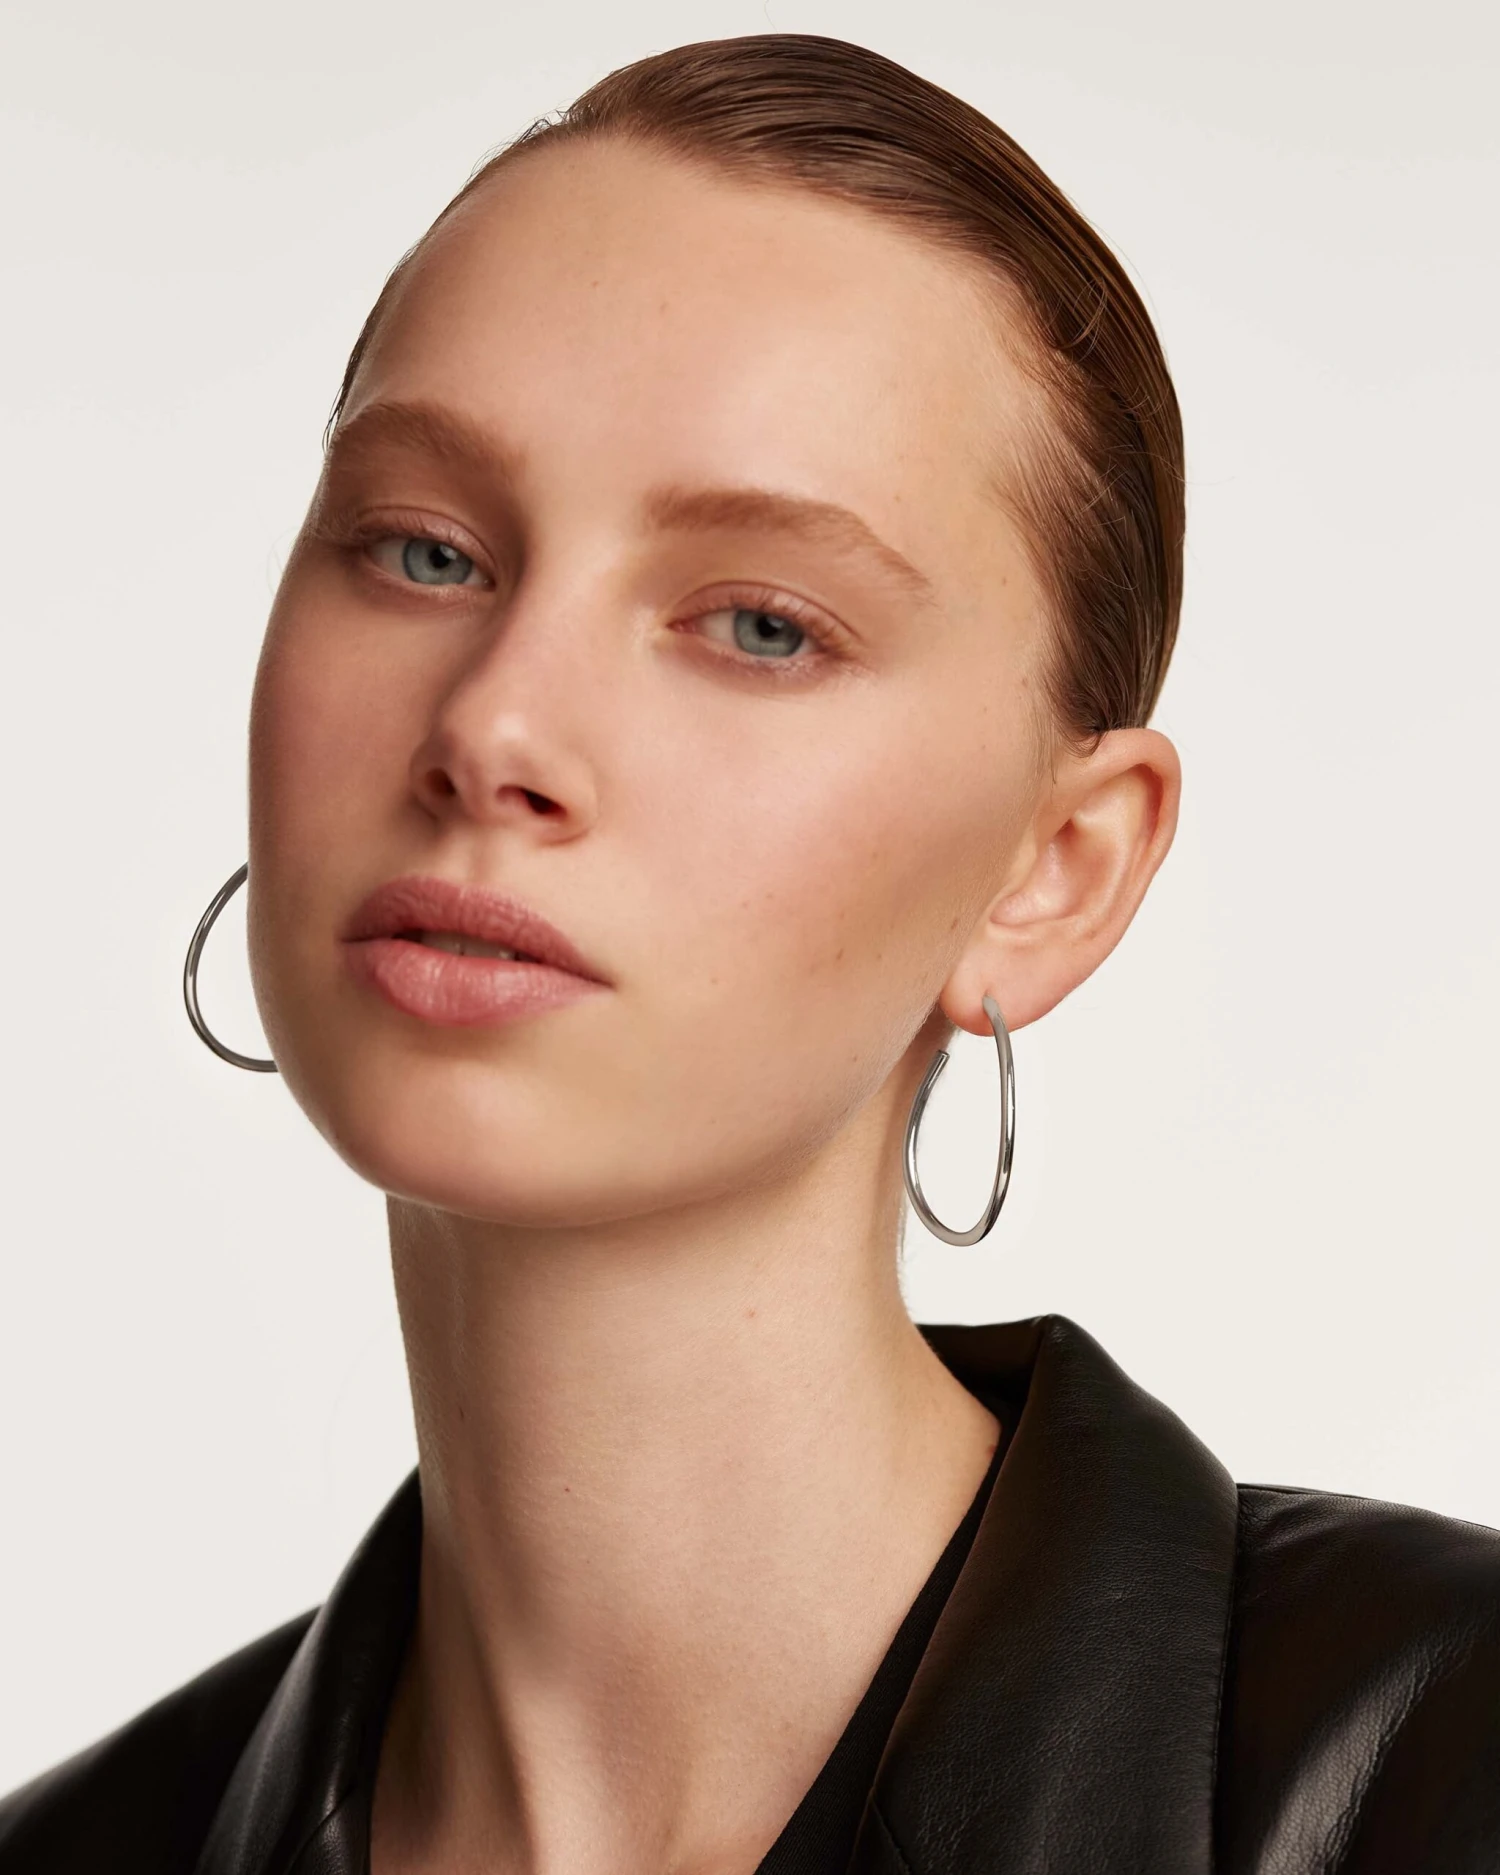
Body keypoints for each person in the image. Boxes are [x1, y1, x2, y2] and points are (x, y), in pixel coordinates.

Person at [2, 31, 1495, 1875]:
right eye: (424, 551)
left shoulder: (1445, 1764)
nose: (494, 728)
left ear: (1053, 870)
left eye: (763, 625)